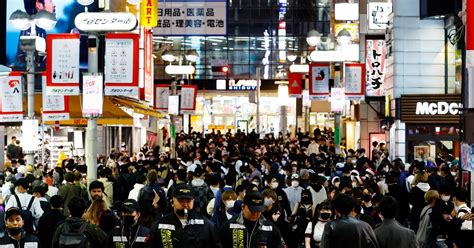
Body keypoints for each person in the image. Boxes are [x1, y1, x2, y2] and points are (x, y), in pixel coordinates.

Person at [151, 184, 222, 248]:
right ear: (172, 202)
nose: (185, 205)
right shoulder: (160, 225)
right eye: (181, 201)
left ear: (193, 202)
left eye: (188, 201)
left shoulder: (206, 225)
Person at [219, 190, 285, 248]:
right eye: (252, 210)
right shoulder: (229, 227)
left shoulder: (270, 228)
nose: (256, 213)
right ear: (243, 207)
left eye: (259, 210)